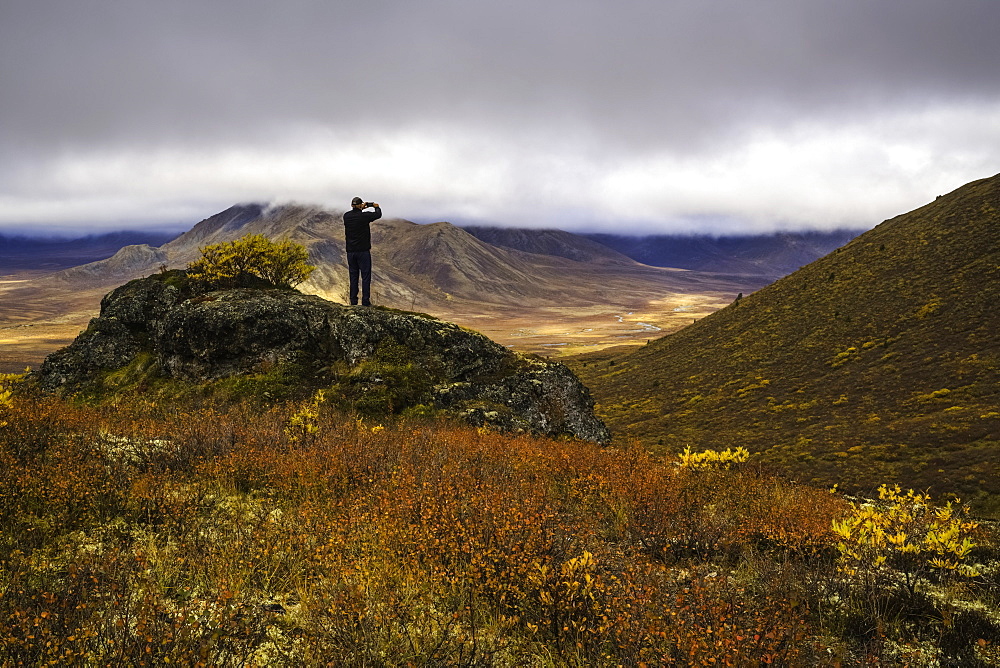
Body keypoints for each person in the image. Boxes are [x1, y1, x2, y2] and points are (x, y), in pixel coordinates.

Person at [342, 197, 381, 306]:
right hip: (363, 251)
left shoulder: (346, 216)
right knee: (365, 276)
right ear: (360, 205)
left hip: (350, 251)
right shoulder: (364, 216)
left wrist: (359, 209)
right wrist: (375, 207)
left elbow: (355, 215)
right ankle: (365, 301)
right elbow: (378, 215)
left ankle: (353, 301)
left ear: (351, 205)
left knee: (353, 276)